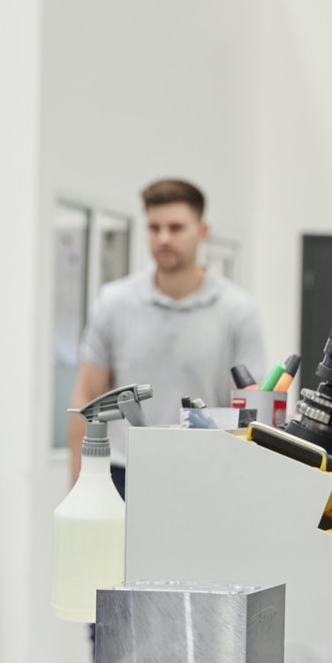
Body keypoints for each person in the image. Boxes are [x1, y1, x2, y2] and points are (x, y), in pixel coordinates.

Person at [68, 178, 267, 496]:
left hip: (207, 476)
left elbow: (248, 415)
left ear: (202, 231)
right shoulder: (114, 303)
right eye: (154, 227)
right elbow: (85, 402)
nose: (163, 238)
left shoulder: (238, 312)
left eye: (175, 228)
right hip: (122, 476)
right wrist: (79, 490)